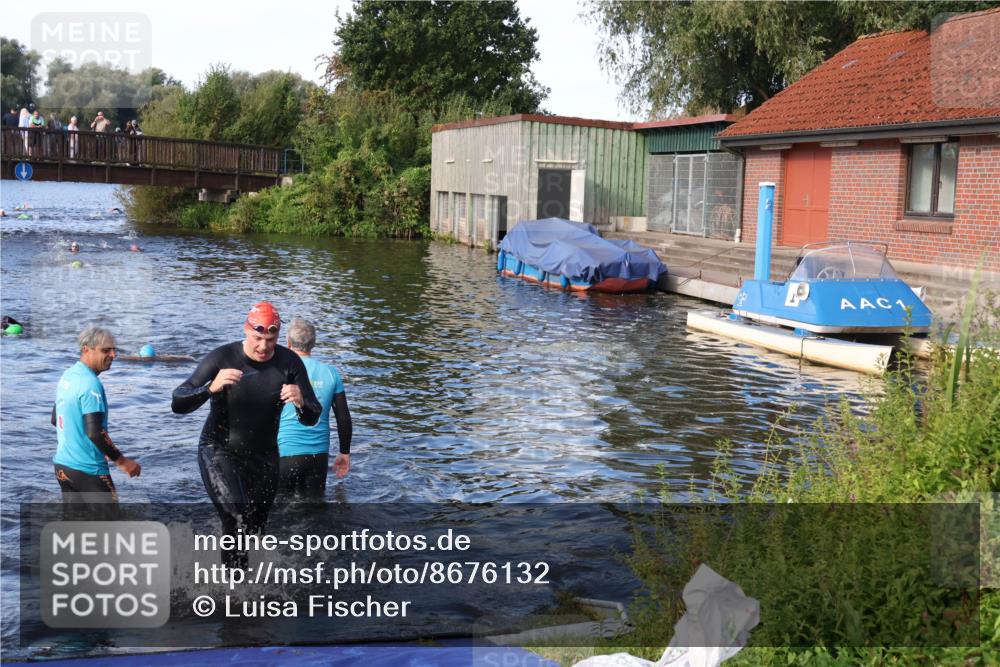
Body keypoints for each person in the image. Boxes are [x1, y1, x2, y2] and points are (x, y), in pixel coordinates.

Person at [171, 302, 321, 568]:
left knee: (256, 528)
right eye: (258, 338)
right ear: (246, 331)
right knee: (235, 516)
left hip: (265, 456)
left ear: (278, 336)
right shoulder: (223, 357)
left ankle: (251, 582)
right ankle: (232, 588)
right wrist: (210, 389)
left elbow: (312, 416)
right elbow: (178, 402)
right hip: (218, 450)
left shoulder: (289, 362)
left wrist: (301, 402)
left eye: (271, 339)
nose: (264, 346)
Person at [52, 327, 141, 505]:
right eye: (106, 350)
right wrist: (122, 461)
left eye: (114, 349)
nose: (113, 355)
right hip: (89, 471)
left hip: (63, 467)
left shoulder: (67, 376)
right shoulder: (91, 384)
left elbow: (56, 419)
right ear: (86, 349)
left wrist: (94, 446)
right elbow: (95, 432)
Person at [277, 318, 352, 500]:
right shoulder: (331, 373)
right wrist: (344, 452)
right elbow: (343, 417)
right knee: (314, 510)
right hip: (317, 456)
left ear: (287, 342)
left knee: (279, 510)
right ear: (314, 343)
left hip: (284, 454)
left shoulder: (279, 370)